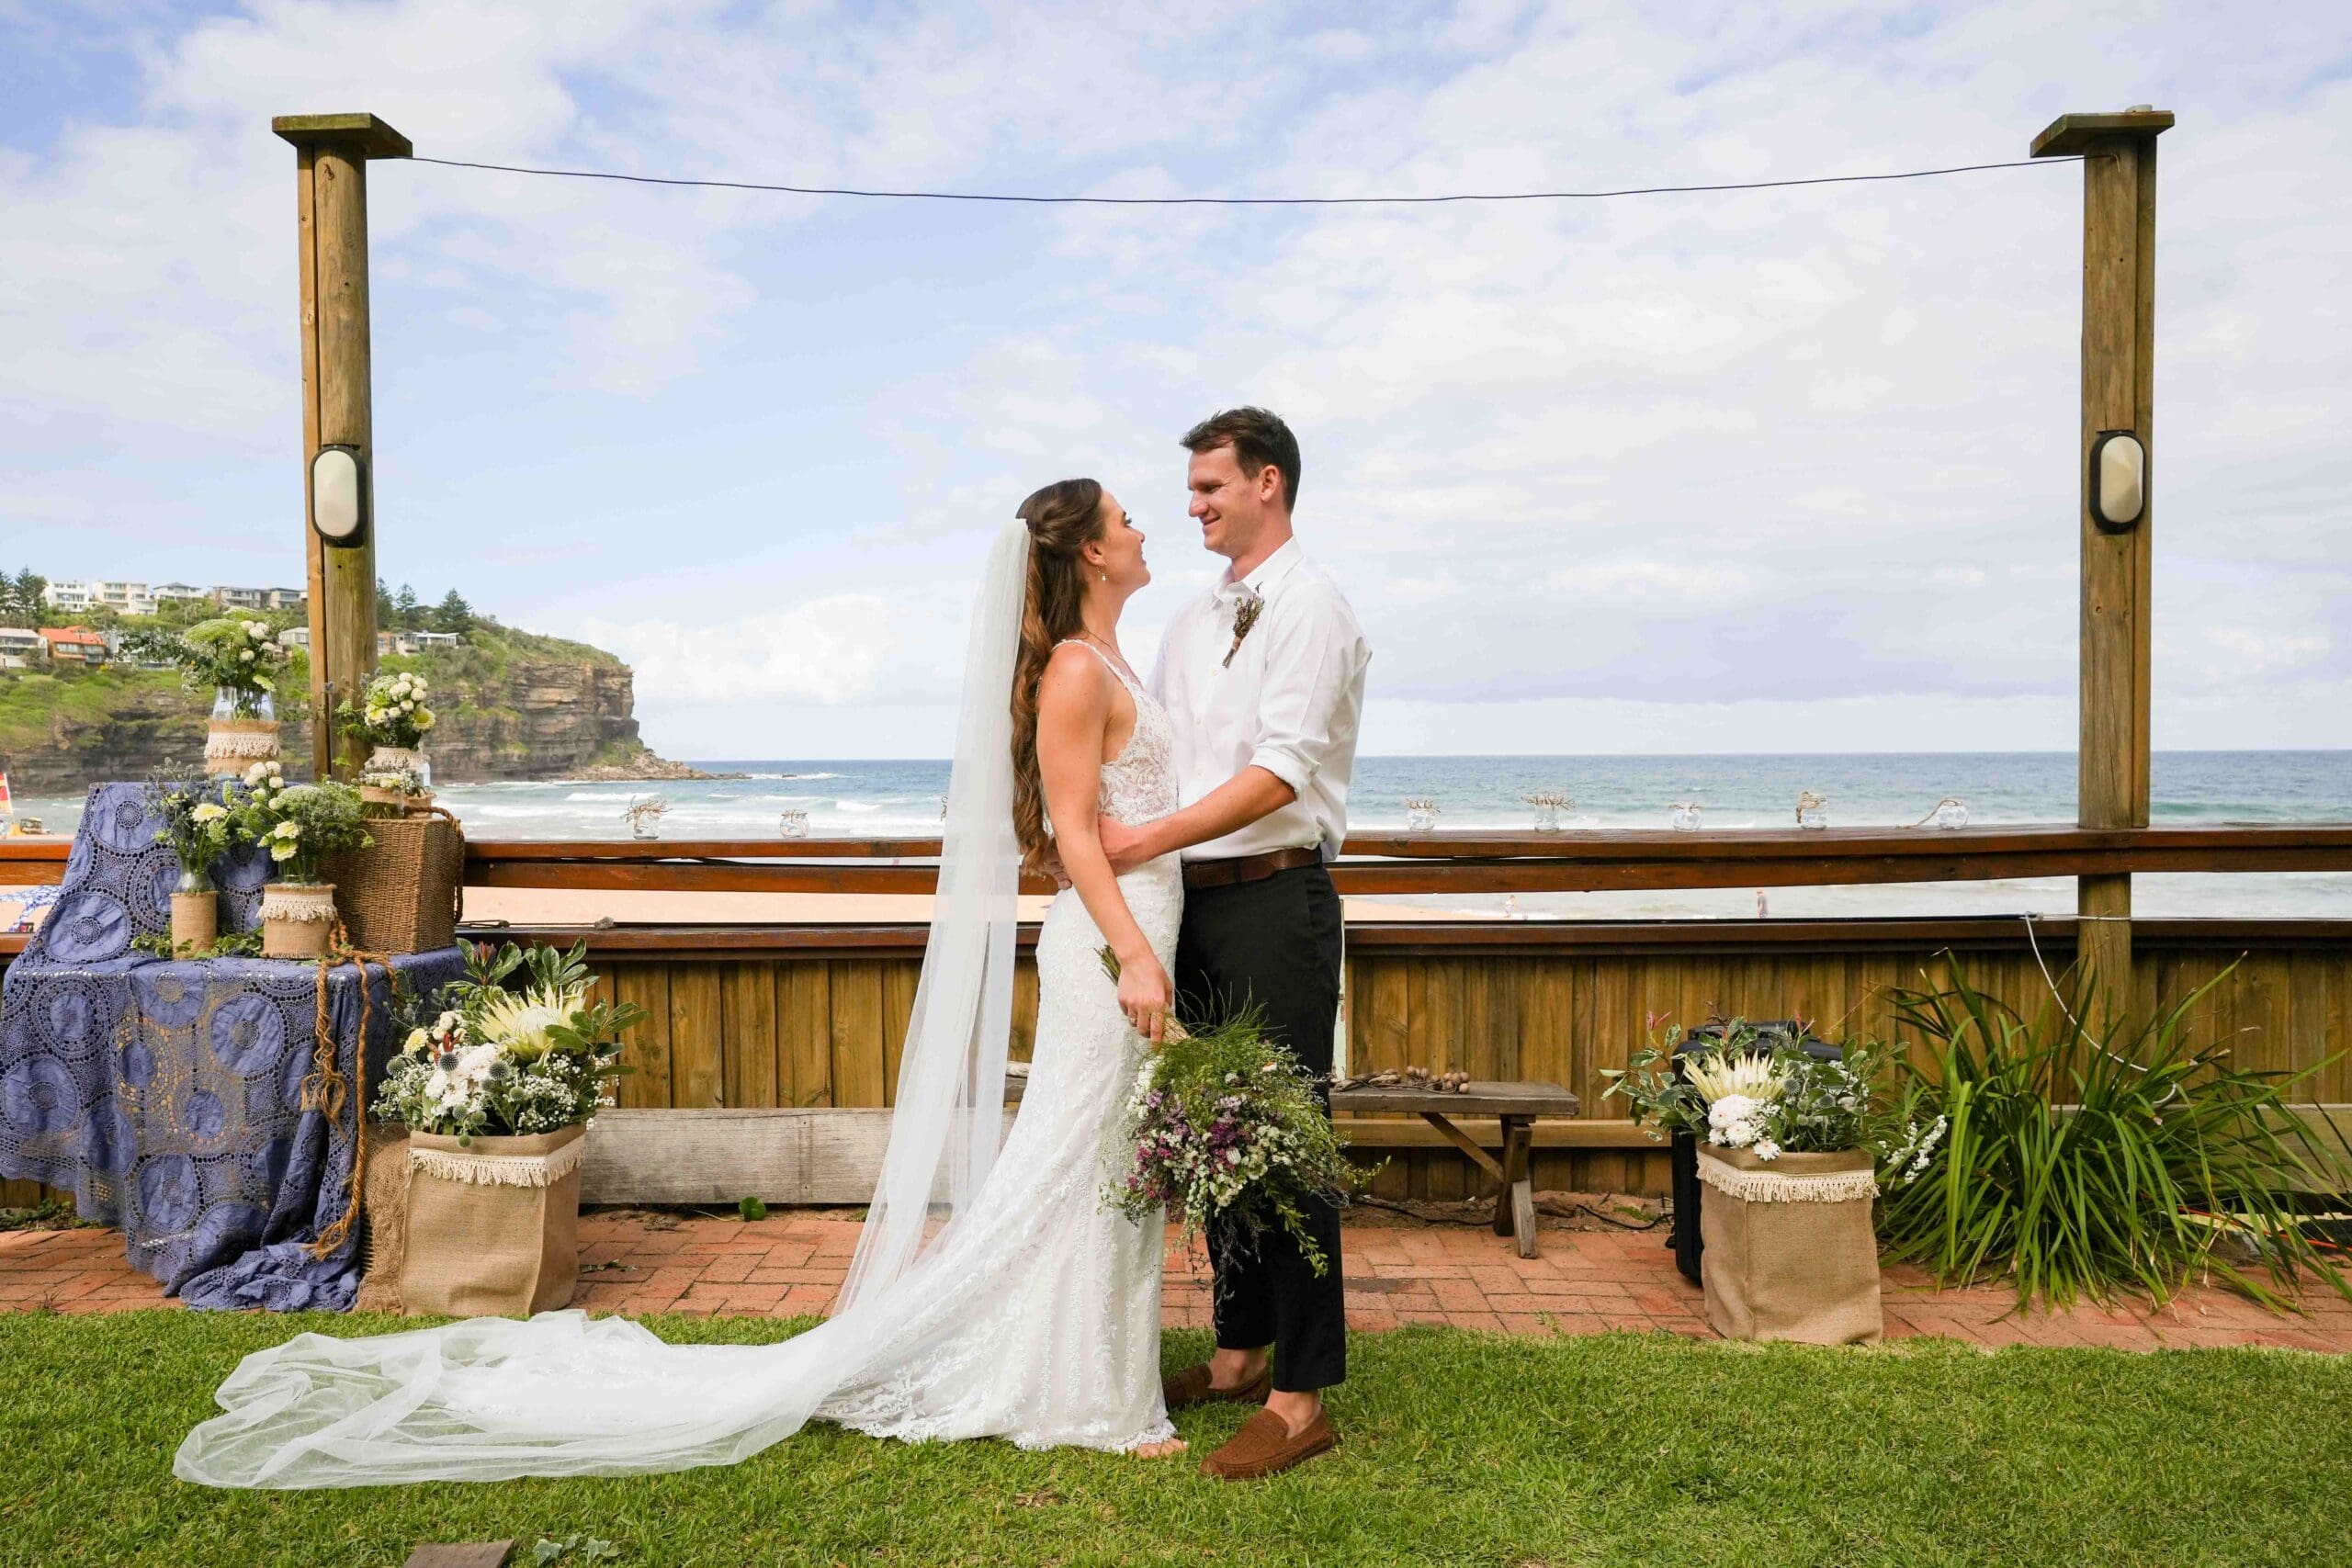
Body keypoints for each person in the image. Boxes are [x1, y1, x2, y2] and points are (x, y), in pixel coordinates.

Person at [175, 478, 1193, 1486]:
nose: (1142, 527)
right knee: (1083, 1155)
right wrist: (1136, 957)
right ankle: (1085, 1388)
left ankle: (1092, 1371)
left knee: (1102, 1155)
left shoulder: (1109, 657)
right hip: (1111, 951)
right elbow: (1069, 838)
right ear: (1091, 553)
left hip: (1130, 937)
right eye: (1127, 518)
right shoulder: (1072, 669)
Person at [1099, 407, 1372, 1480]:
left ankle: (1303, 1397)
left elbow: (1280, 773)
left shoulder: (1315, 609)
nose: (1195, 507)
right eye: (1188, 493)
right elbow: (1158, 749)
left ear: (1267, 482)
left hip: (1273, 900)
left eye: (1210, 488)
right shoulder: (1189, 619)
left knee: (1288, 1145)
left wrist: (1143, 840)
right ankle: (1239, 1351)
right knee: (1216, 1135)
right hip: (1191, 900)